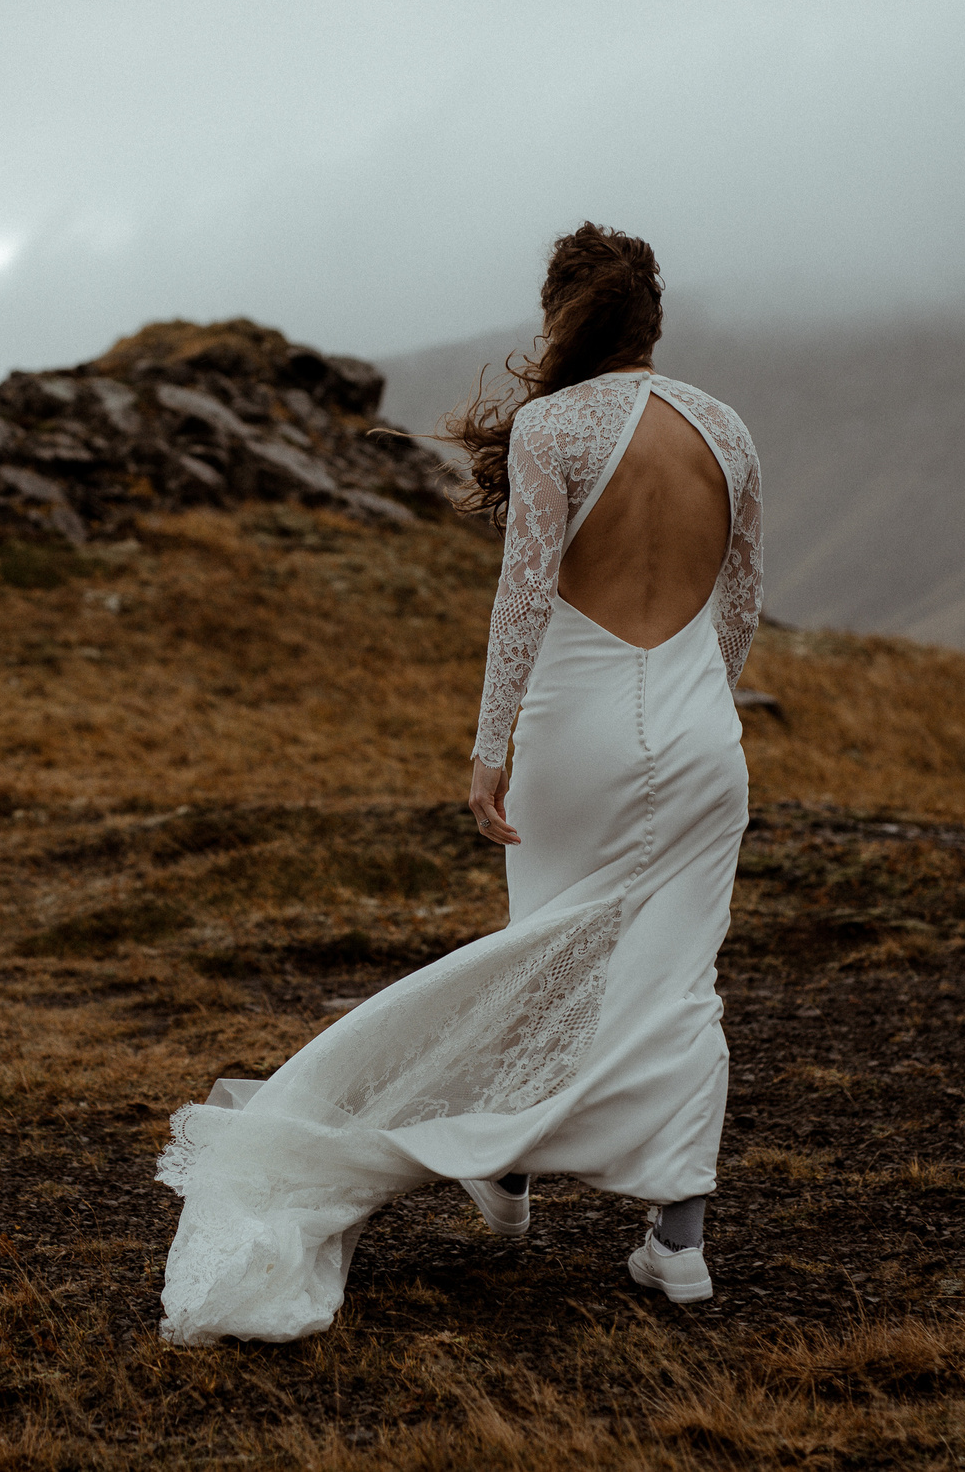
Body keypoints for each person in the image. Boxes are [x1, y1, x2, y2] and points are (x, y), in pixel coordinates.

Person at [156, 222, 762, 1345]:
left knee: (539, 965)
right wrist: (699, 719)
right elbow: (738, 609)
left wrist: (490, 749)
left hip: (576, 738)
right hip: (700, 743)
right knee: (681, 981)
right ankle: (678, 1243)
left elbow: (522, 599)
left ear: (560, 316)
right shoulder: (725, 429)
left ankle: (504, 1169)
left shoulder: (551, 425)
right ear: (654, 321)